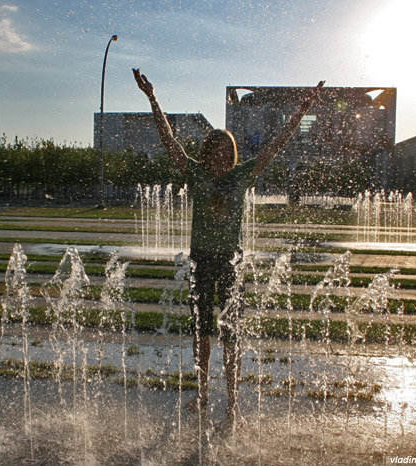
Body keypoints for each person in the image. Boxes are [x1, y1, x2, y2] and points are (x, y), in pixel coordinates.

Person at [133, 68, 323, 427]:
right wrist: (153, 99)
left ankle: (233, 402)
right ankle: (203, 395)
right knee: (201, 331)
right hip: (202, 260)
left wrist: (300, 113)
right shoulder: (196, 174)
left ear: (232, 155)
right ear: (206, 154)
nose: (220, 159)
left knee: (231, 334)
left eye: (226, 153)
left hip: (230, 262)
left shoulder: (241, 176)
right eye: (214, 152)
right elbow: (169, 141)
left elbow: (275, 146)